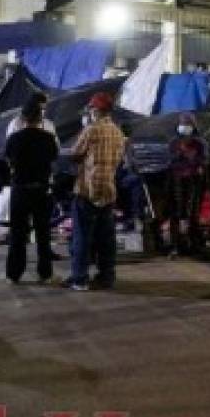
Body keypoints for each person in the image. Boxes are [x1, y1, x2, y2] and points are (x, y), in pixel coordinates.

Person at [63, 93, 126, 291]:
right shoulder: (117, 132)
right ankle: (107, 277)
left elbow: (75, 154)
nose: (89, 113)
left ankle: (80, 278)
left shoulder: (91, 130)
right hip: (108, 190)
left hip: (87, 190)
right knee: (106, 237)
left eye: (91, 109)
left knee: (82, 235)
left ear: (96, 110)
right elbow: (119, 160)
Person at [5, 99, 61, 284]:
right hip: (41, 190)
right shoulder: (48, 138)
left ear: (23, 118)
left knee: (17, 234)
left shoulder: (14, 138)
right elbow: (54, 157)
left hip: (20, 190)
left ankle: (14, 274)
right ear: (39, 118)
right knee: (43, 233)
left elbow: (8, 159)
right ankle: (45, 273)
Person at [166, 112, 208, 256]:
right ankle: (175, 246)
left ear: (193, 126)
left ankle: (194, 245)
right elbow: (169, 161)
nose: (185, 126)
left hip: (193, 182)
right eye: (182, 123)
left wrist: (195, 162)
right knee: (175, 214)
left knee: (193, 214)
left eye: (188, 124)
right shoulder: (173, 142)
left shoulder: (200, 143)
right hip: (176, 181)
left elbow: (204, 161)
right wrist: (181, 153)